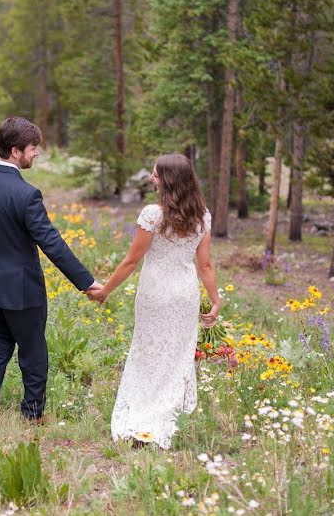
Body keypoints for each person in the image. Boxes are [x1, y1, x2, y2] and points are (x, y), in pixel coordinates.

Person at [0, 117, 102, 427]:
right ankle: (32, 414)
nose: (37, 154)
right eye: (33, 148)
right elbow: (52, 244)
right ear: (15, 150)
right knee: (33, 351)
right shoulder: (26, 195)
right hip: (21, 291)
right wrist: (87, 282)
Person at [86, 153, 221, 449]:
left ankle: (144, 415)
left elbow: (132, 260)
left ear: (168, 180)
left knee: (149, 351)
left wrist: (105, 290)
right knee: (176, 354)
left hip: (156, 293)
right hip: (185, 293)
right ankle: (164, 412)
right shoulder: (202, 216)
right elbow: (206, 266)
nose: (151, 178)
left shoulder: (153, 214)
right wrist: (215, 300)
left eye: (156, 174)